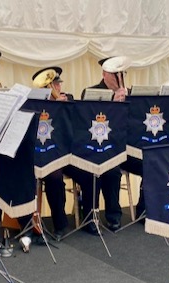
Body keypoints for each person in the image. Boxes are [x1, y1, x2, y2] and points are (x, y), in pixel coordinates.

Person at [71, 57, 127, 234]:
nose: (119, 78)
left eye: (121, 74)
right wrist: (113, 103)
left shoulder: (127, 93)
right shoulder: (91, 91)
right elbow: (88, 120)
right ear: (104, 74)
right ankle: (90, 217)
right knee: (92, 173)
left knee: (113, 172)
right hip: (92, 148)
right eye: (114, 74)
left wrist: (125, 103)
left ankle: (114, 216)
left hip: (115, 148)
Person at [30, 66, 73, 239]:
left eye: (57, 84)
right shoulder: (34, 102)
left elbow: (75, 126)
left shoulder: (68, 99)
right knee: (52, 176)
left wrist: (64, 108)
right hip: (40, 153)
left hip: (63, 152)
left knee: (57, 176)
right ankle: (29, 224)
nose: (55, 88)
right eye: (50, 84)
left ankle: (60, 224)